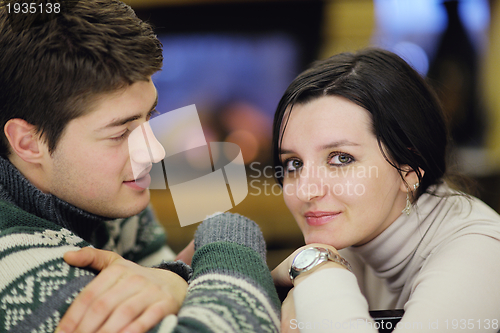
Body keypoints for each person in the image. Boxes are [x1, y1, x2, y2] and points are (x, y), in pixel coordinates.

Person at [0, 1, 280, 332]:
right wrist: (231, 233)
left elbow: (180, 292)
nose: (155, 151)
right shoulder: (19, 271)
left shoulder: (103, 199)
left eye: (151, 117)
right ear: (28, 143)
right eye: (120, 133)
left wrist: (172, 280)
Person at [270, 48, 500, 332]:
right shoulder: (359, 234)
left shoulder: (481, 255)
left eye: (341, 158)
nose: (306, 191)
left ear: (409, 169)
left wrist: (316, 267)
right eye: (293, 163)